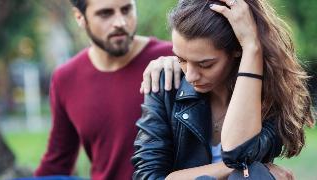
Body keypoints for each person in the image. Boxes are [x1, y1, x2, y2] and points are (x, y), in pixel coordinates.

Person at [132, 0, 315, 179]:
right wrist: (233, 169)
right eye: (181, 59)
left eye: (205, 64)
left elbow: (238, 152)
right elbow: (147, 175)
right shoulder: (167, 82)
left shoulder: (272, 93)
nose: (190, 76)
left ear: (237, 50)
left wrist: (252, 46)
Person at [34, 0, 181, 179]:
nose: (120, 22)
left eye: (126, 10)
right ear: (80, 17)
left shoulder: (173, 60)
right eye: (105, 13)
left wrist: (183, 63)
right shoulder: (65, 78)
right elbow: (57, 162)